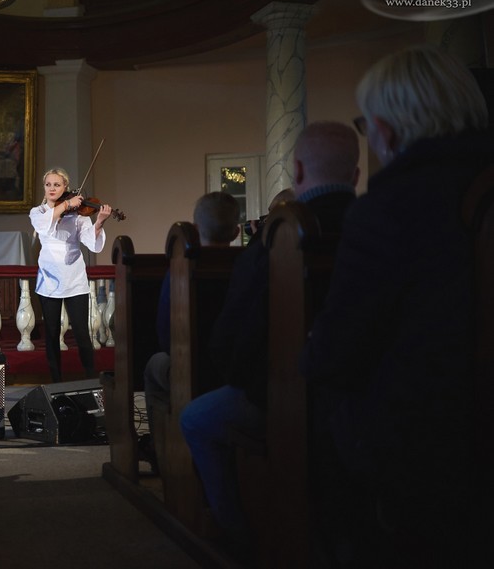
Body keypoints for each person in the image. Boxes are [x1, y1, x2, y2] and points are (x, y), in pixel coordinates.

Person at [300, 45, 493, 567]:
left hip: (427, 448)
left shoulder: (388, 209)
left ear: (385, 131)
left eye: (367, 125)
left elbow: (335, 355)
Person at [179, 121, 360, 553]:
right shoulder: (376, 225)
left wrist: (259, 388)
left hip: (284, 394)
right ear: (355, 175)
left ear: (297, 170)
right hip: (366, 394)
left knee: (196, 418)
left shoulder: (275, 238)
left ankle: (238, 538)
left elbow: (232, 339)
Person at [139, 191, 241, 473]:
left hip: (194, 369)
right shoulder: (247, 262)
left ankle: (161, 453)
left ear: (195, 229)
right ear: (236, 232)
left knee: (154, 364)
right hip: (238, 369)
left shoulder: (181, 268)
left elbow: (165, 335)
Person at [30, 167, 113, 383]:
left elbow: (92, 243)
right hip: (49, 279)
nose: (52, 188)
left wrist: (99, 222)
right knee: (51, 333)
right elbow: (44, 226)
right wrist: (67, 204)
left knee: (82, 333)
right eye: (48, 184)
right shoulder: (38, 212)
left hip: (75, 279)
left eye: (57, 185)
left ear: (65, 187)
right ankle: (56, 382)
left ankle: (91, 381)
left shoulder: (78, 215)